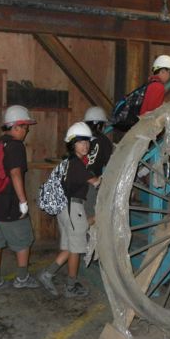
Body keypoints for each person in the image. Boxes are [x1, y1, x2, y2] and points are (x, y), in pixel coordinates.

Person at [38, 123, 100, 298]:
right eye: (80, 142)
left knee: (69, 247)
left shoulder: (66, 163)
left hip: (64, 209)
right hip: (73, 209)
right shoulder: (77, 164)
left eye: (86, 142)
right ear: (72, 144)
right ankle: (70, 286)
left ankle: (47, 274)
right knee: (76, 249)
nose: (85, 145)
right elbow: (96, 183)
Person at [0, 105, 39, 292]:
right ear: (16, 127)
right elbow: (15, 173)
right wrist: (23, 202)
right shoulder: (16, 146)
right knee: (23, 241)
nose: (27, 131)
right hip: (10, 204)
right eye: (25, 127)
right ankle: (22, 278)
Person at [82, 106, 113, 222]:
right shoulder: (104, 141)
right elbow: (110, 165)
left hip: (73, 181)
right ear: (99, 125)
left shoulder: (79, 138)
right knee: (89, 218)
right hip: (90, 183)